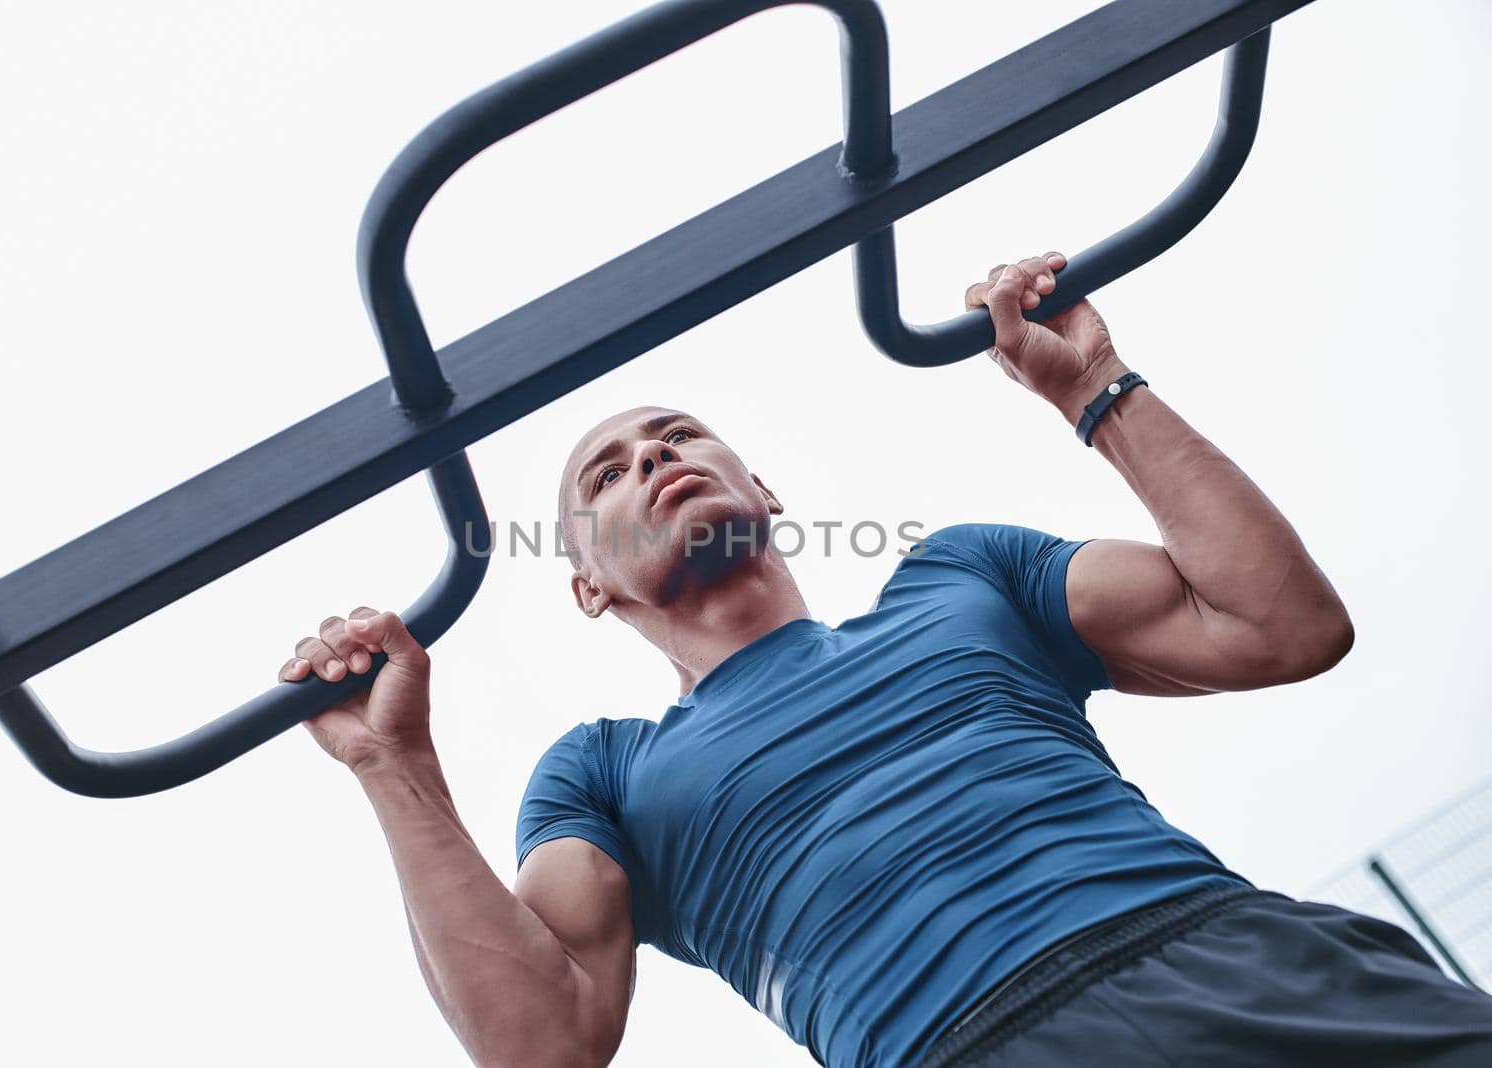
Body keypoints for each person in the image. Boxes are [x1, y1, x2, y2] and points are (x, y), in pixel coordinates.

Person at [277, 253, 1492, 1067]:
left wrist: (1097, 392)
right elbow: (544, 1038)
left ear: (764, 489)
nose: (652, 459)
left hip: (1233, 961)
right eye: (608, 474)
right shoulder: (600, 774)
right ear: (587, 582)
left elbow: (1283, 625)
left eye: (677, 436)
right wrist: (396, 767)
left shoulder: (965, 579)